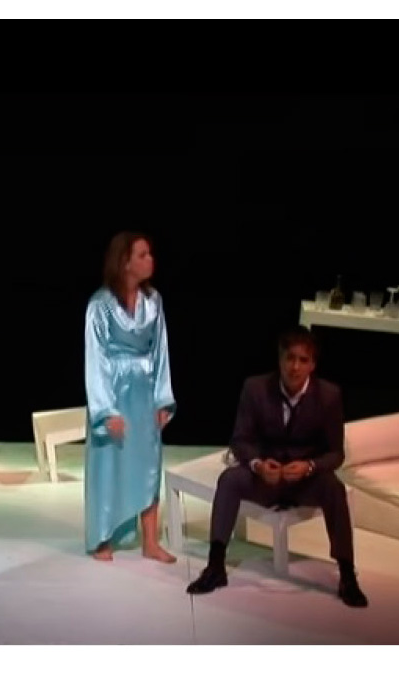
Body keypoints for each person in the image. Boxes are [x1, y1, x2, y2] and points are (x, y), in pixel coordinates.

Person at [190, 327, 364, 607]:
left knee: (334, 487)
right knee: (230, 480)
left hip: (304, 481)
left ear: (313, 364)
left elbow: (336, 454)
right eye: (290, 358)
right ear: (280, 358)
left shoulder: (329, 395)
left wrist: (309, 466)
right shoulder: (255, 388)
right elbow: (240, 440)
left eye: (303, 360)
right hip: (266, 478)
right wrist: (258, 465)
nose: (295, 367)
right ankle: (215, 566)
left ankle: (346, 575)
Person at [83, 231, 176, 563]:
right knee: (109, 465)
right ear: (124, 262)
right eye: (142, 254)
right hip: (113, 391)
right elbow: (96, 358)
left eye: (150, 253)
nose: (150, 260)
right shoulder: (100, 305)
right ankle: (103, 537)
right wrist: (106, 411)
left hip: (145, 392)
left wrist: (162, 400)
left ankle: (150, 541)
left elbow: (161, 349)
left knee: (149, 465)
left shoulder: (154, 301)